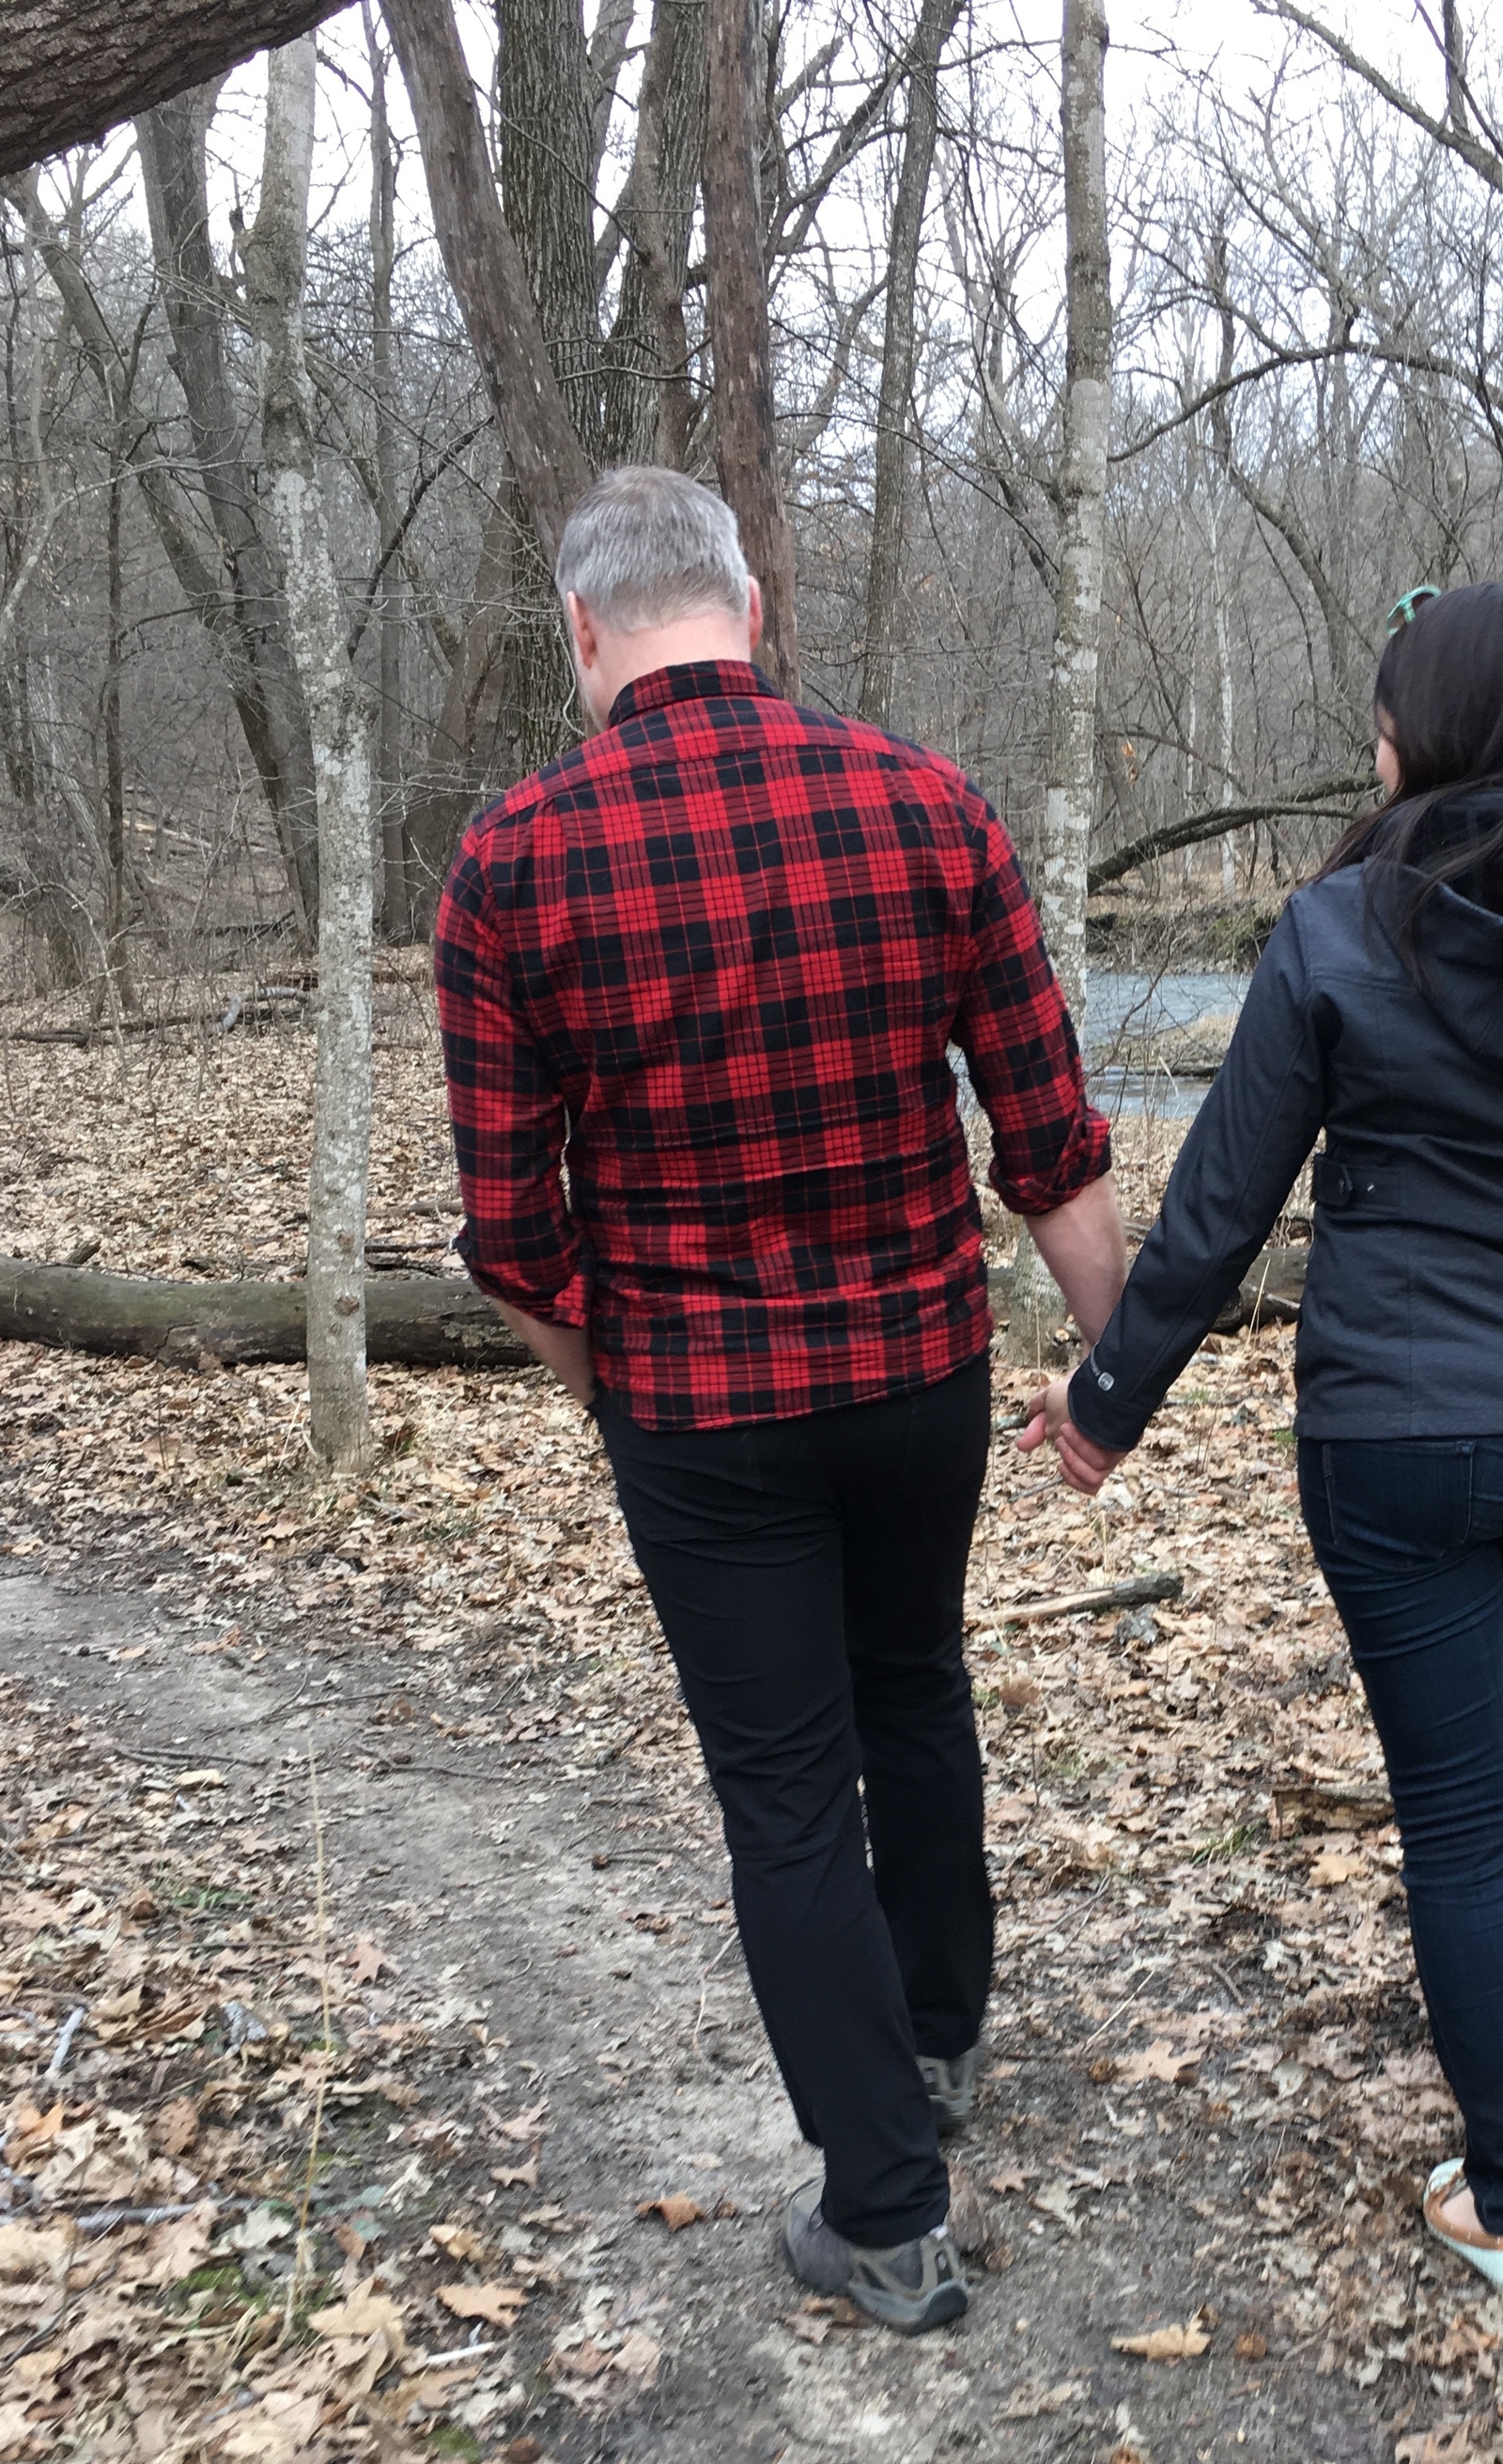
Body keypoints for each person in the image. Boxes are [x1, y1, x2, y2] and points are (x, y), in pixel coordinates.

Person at [1021, 579, 1503, 2302]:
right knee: (1465, 1738)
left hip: (1389, 1436)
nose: (1370, 748)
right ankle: (1476, 1987)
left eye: (1386, 718)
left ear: (1438, 736)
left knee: (1459, 1807)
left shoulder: (1338, 932)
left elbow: (1221, 1207)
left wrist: (1105, 1409)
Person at [438, 465, 1126, 2335]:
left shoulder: (510, 866)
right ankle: (937, 2037)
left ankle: (888, 2209)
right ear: (752, 603)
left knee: (780, 1784)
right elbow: (1046, 1135)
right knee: (911, 1683)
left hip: (700, 1400)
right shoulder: (922, 803)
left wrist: (614, 1400)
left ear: (586, 631)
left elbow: (513, 1233)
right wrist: (1114, 1366)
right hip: (916, 1374)